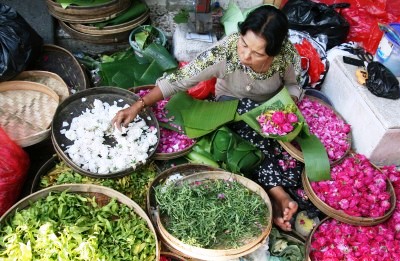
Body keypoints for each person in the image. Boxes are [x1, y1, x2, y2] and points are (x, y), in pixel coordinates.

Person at [113, 5, 309, 231]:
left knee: (289, 153)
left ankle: (278, 196)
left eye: (258, 53)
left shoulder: (286, 56)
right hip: (229, 107)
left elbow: (294, 85)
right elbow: (180, 79)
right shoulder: (225, 51)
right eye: (244, 44)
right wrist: (139, 104)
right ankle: (278, 195)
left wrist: (289, 104)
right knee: (247, 147)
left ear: (273, 52)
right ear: (240, 35)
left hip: (270, 113)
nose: (246, 55)